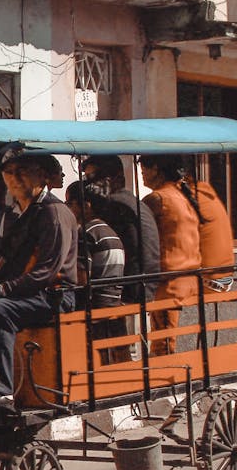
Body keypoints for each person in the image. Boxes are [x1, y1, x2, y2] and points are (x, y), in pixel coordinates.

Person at [0, 152, 78, 411]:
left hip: (53, 295)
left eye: (22, 171)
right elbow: (5, 263)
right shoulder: (23, 214)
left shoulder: (54, 213)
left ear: (40, 175)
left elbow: (45, 273)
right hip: (25, 294)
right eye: (9, 173)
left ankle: (2, 393)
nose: (15, 179)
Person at [75, 155, 160, 303]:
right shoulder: (131, 201)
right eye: (86, 179)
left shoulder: (114, 205)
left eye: (92, 178)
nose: (88, 185)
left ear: (113, 178)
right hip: (147, 284)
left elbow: (104, 245)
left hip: (132, 288)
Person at [139, 154, 201, 356]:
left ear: (156, 169)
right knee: (165, 338)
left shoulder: (157, 199)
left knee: (163, 342)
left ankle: (164, 374)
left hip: (168, 280)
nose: (142, 174)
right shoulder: (182, 196)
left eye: (144, 170)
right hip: (186, 277)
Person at [65, 185, 129, 364]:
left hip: (95, 308)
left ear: (86, 206)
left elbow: (82, 278)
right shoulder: (110, 232)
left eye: (70, 203)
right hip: (114, 304)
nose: (68, 208)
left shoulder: (86, 233)